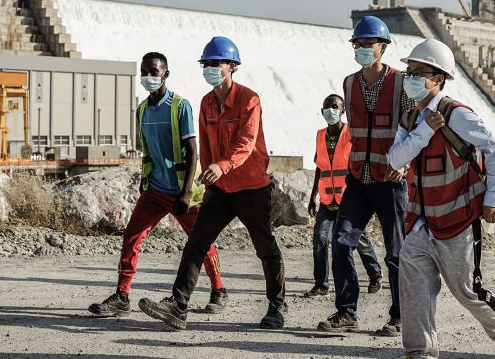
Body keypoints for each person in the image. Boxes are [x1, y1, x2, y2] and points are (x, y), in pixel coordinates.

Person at [383, 40, 495, 359]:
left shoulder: (458, 114)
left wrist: (493, 197)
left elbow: (494, 148)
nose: (410, 79)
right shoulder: (412, 116)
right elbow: (396, 159)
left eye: (418, 74)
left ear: (439, 78)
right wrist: (425, 130)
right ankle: (420, 357)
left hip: (458, 218)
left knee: (465, 290)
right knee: (413, 286)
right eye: (408, 73)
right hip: (421, 220)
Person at [139, 37, 287, 330]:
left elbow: (246, 142)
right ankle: (178, 306)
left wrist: (223, 166)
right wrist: (207, 178)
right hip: (220, 189)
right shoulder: (206, 102)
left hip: (252, 187)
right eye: (205, 64)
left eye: (215, 63)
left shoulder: (249, 100)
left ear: (232, 67)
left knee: (265, 246)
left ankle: (277, 306)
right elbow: (204, 148)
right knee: (196, 242)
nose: (209, 68)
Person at [88, 52, 228, 317]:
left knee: (201, 240)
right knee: (132, 236)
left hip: (181, 191)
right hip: (154, 190)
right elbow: (148, 152)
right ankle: (122, 295)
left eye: (154, 72)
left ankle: (219, 290)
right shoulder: (142, 110)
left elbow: (192, 150)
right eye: (145, 72)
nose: (149, 77)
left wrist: (186, 192)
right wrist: (145, 184)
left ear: (166, 74)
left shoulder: (179, 106)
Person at [321, 16, 411, 337]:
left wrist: (405, 163)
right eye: (356, 44)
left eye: (366, 44)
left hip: (390, 182)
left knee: (396, 252)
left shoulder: (401, 83)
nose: (360, 49)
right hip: (358, 179)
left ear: (382, 48)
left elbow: (414, 128)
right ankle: (346, 312)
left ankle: (401, 316)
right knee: (341, 242)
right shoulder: (348, 84)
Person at [304, 94, 383, 299]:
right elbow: (320, 168)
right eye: (326, 106)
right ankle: (321, 284)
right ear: (322, 111)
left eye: (335, 106)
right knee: (320, 241)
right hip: (326, 200)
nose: (330, 110)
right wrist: (313, 196)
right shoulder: (320, 135)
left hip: (349, 199)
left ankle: (375, 275)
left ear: (342, 110)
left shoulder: (351, 134)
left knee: (359, 240)